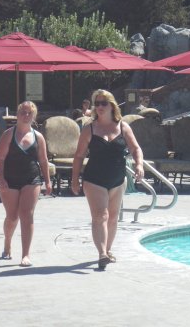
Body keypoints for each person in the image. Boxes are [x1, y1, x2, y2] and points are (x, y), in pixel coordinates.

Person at [71, 89, 144, 270]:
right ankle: (102, 253)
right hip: (94, 179)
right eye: (97, 103)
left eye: (104, 103)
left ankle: (108, 250)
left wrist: (139, 165)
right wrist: (74, 179)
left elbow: (136, 149)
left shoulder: (123, 127)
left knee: (112, 218)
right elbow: (79, 156)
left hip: (118, 179)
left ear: (112, 105)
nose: (100, 106)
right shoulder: (89, 129)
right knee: (100, 216)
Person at [0, 101, 52, 267]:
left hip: (31, 179)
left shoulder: (38, 137)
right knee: (12, 217)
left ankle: (26, 254)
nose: (26, 116)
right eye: (23, 113)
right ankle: (7, 242)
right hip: (10, 179)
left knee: (27, 214)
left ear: (34, 116)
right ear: (17, 114)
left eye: (29, 113)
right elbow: (0, 159)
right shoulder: (8, 135)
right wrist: (1, 179)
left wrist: (47, 180)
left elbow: (43, 160)